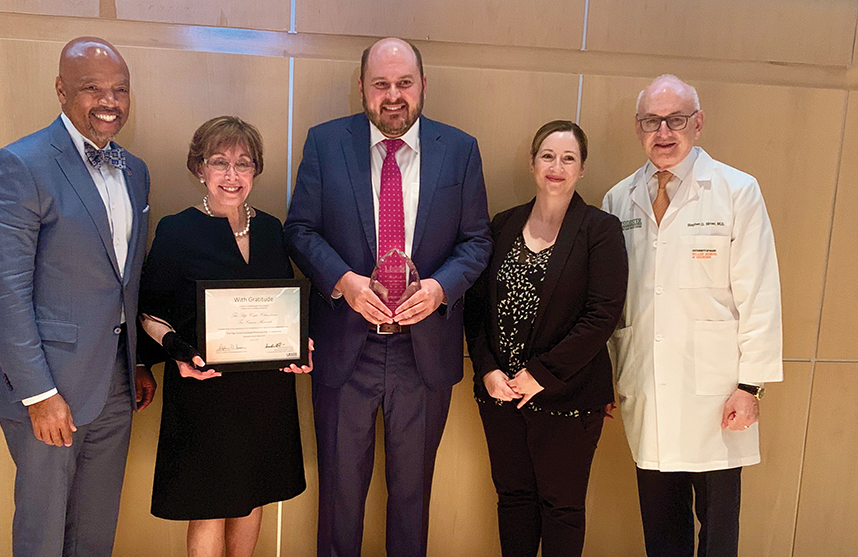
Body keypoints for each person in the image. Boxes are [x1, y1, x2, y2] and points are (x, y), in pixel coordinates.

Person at [284, 37, 492, 557]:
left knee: (412, 496)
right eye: (381, 84)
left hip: (423, 352)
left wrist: (442, 287)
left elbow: (477, 240)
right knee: (339, 497)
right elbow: (300, 230)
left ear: (423, 85)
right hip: (345, 347)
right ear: (361, 88)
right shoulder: (325, 143)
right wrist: (344, 282)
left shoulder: (460, 149)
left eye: (404, 83)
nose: (393, 95)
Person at [0, 37, 157, 556]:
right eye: (92, 88)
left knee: (96, 532)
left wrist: (136, 363)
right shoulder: (20, 164)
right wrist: (39, 394)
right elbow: (2, 290)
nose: (109, 101)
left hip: (116, 386)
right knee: (43, 531)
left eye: (120, 90)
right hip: (48, 390)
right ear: (60, 90)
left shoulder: (135, 171)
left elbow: (125, 280)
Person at [602, 74, 783, 557]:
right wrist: (609, 376)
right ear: (638, 128)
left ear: (698, 123)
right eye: (650, 121)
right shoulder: (619, 200)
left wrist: (751, 387)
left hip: (718, 391)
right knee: (660, 521)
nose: (663, 132)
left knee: (718, 526)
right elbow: (611, 302)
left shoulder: (736, 190)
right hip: (646, 379)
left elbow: (760, 292)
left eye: (676, 119)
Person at [137, 116, 308, 557]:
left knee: (253, 498)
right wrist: (177, 351)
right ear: (200, 168)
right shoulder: (177, 229)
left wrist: (300, 342)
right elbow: (148, 312)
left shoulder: (272, 230)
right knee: (209, 506)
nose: (232, 176)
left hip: (264, 390)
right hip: (203, 389)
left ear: (256, 171)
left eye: (243, 164)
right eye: (220, 163)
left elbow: (284, 304)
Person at [464, 120, 627, 557]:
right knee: (513, 501)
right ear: (533, 163)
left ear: (582, 168)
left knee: (562, 508)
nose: (557, 166)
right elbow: (475, 308)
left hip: (568, 396)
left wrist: (541, 374)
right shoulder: (502, 225)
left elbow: (602, 316)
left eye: (568, 158)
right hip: (500, 395)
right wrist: (488, 370)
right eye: (548, 156)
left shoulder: (601, 230)